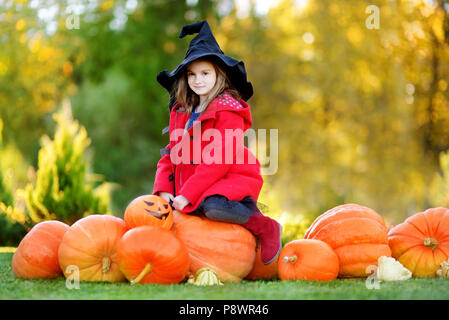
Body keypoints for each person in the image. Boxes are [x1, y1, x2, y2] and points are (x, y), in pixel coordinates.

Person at [152, 20, 281, 265]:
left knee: (211, 206)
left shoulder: (228, 111)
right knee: (174, 211)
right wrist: (165, 190)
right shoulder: (181, 110)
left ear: (218, 74)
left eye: (205, 73)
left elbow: (218, 160)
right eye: (191, 74)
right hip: (195, 183)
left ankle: (265, 226)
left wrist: (188, 194)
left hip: (229, 178)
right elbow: (171, 153)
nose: (197, 80)